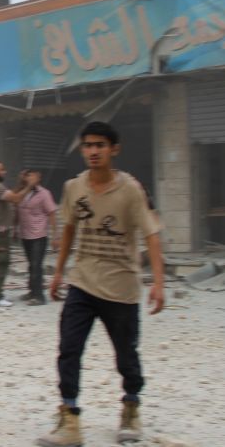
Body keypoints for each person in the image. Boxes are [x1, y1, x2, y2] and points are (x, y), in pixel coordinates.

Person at [37, 122, 165, 447]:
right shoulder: (74, 187)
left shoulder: (131, 190)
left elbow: (151, 234)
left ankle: (131, 406)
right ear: (82, 150)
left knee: (126, 355)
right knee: (68, 348)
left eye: (100, 145)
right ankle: (69, 417)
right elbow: (68, 229)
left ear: (114, 150)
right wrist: (58, 272)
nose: (93, 151)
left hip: (121, 289)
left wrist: (158, 284)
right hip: (82, 283)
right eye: (88, 145)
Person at [0, 162, 37, 307]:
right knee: (1, 262)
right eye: (2, 170)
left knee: (1, 261)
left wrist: (21, 183)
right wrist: (30, 185)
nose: (5, 172)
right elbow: (17, 199)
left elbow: (12, 194)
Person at [14, 170, 58, 306]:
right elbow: (16, 210)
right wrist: (15, 229)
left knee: (36, 265)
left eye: (32, 175)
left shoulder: (44, 194)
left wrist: (56, 235)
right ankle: (32, 291)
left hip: (39, 235)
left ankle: (39, 296)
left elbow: (51, 213)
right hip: (25, 234)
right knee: (31, 265)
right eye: (28, 175)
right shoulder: (22, 192)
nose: (29, 178)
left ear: (39, 178)